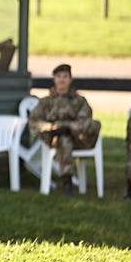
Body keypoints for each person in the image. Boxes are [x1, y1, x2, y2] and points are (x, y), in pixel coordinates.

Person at [28, 63, 101, 195]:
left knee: (95, 124)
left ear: (70, 79)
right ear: (54, 79)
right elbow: (33, 121)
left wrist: (69, 127)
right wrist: (50, 127)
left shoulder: (79, 100)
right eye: (59, 76)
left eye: (65, 76)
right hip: (55, 138)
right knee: (63, 139)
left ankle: (65, 129)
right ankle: (67, 181)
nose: (62, 79)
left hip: (78, 137)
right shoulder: (46, 101)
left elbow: (85, 120)